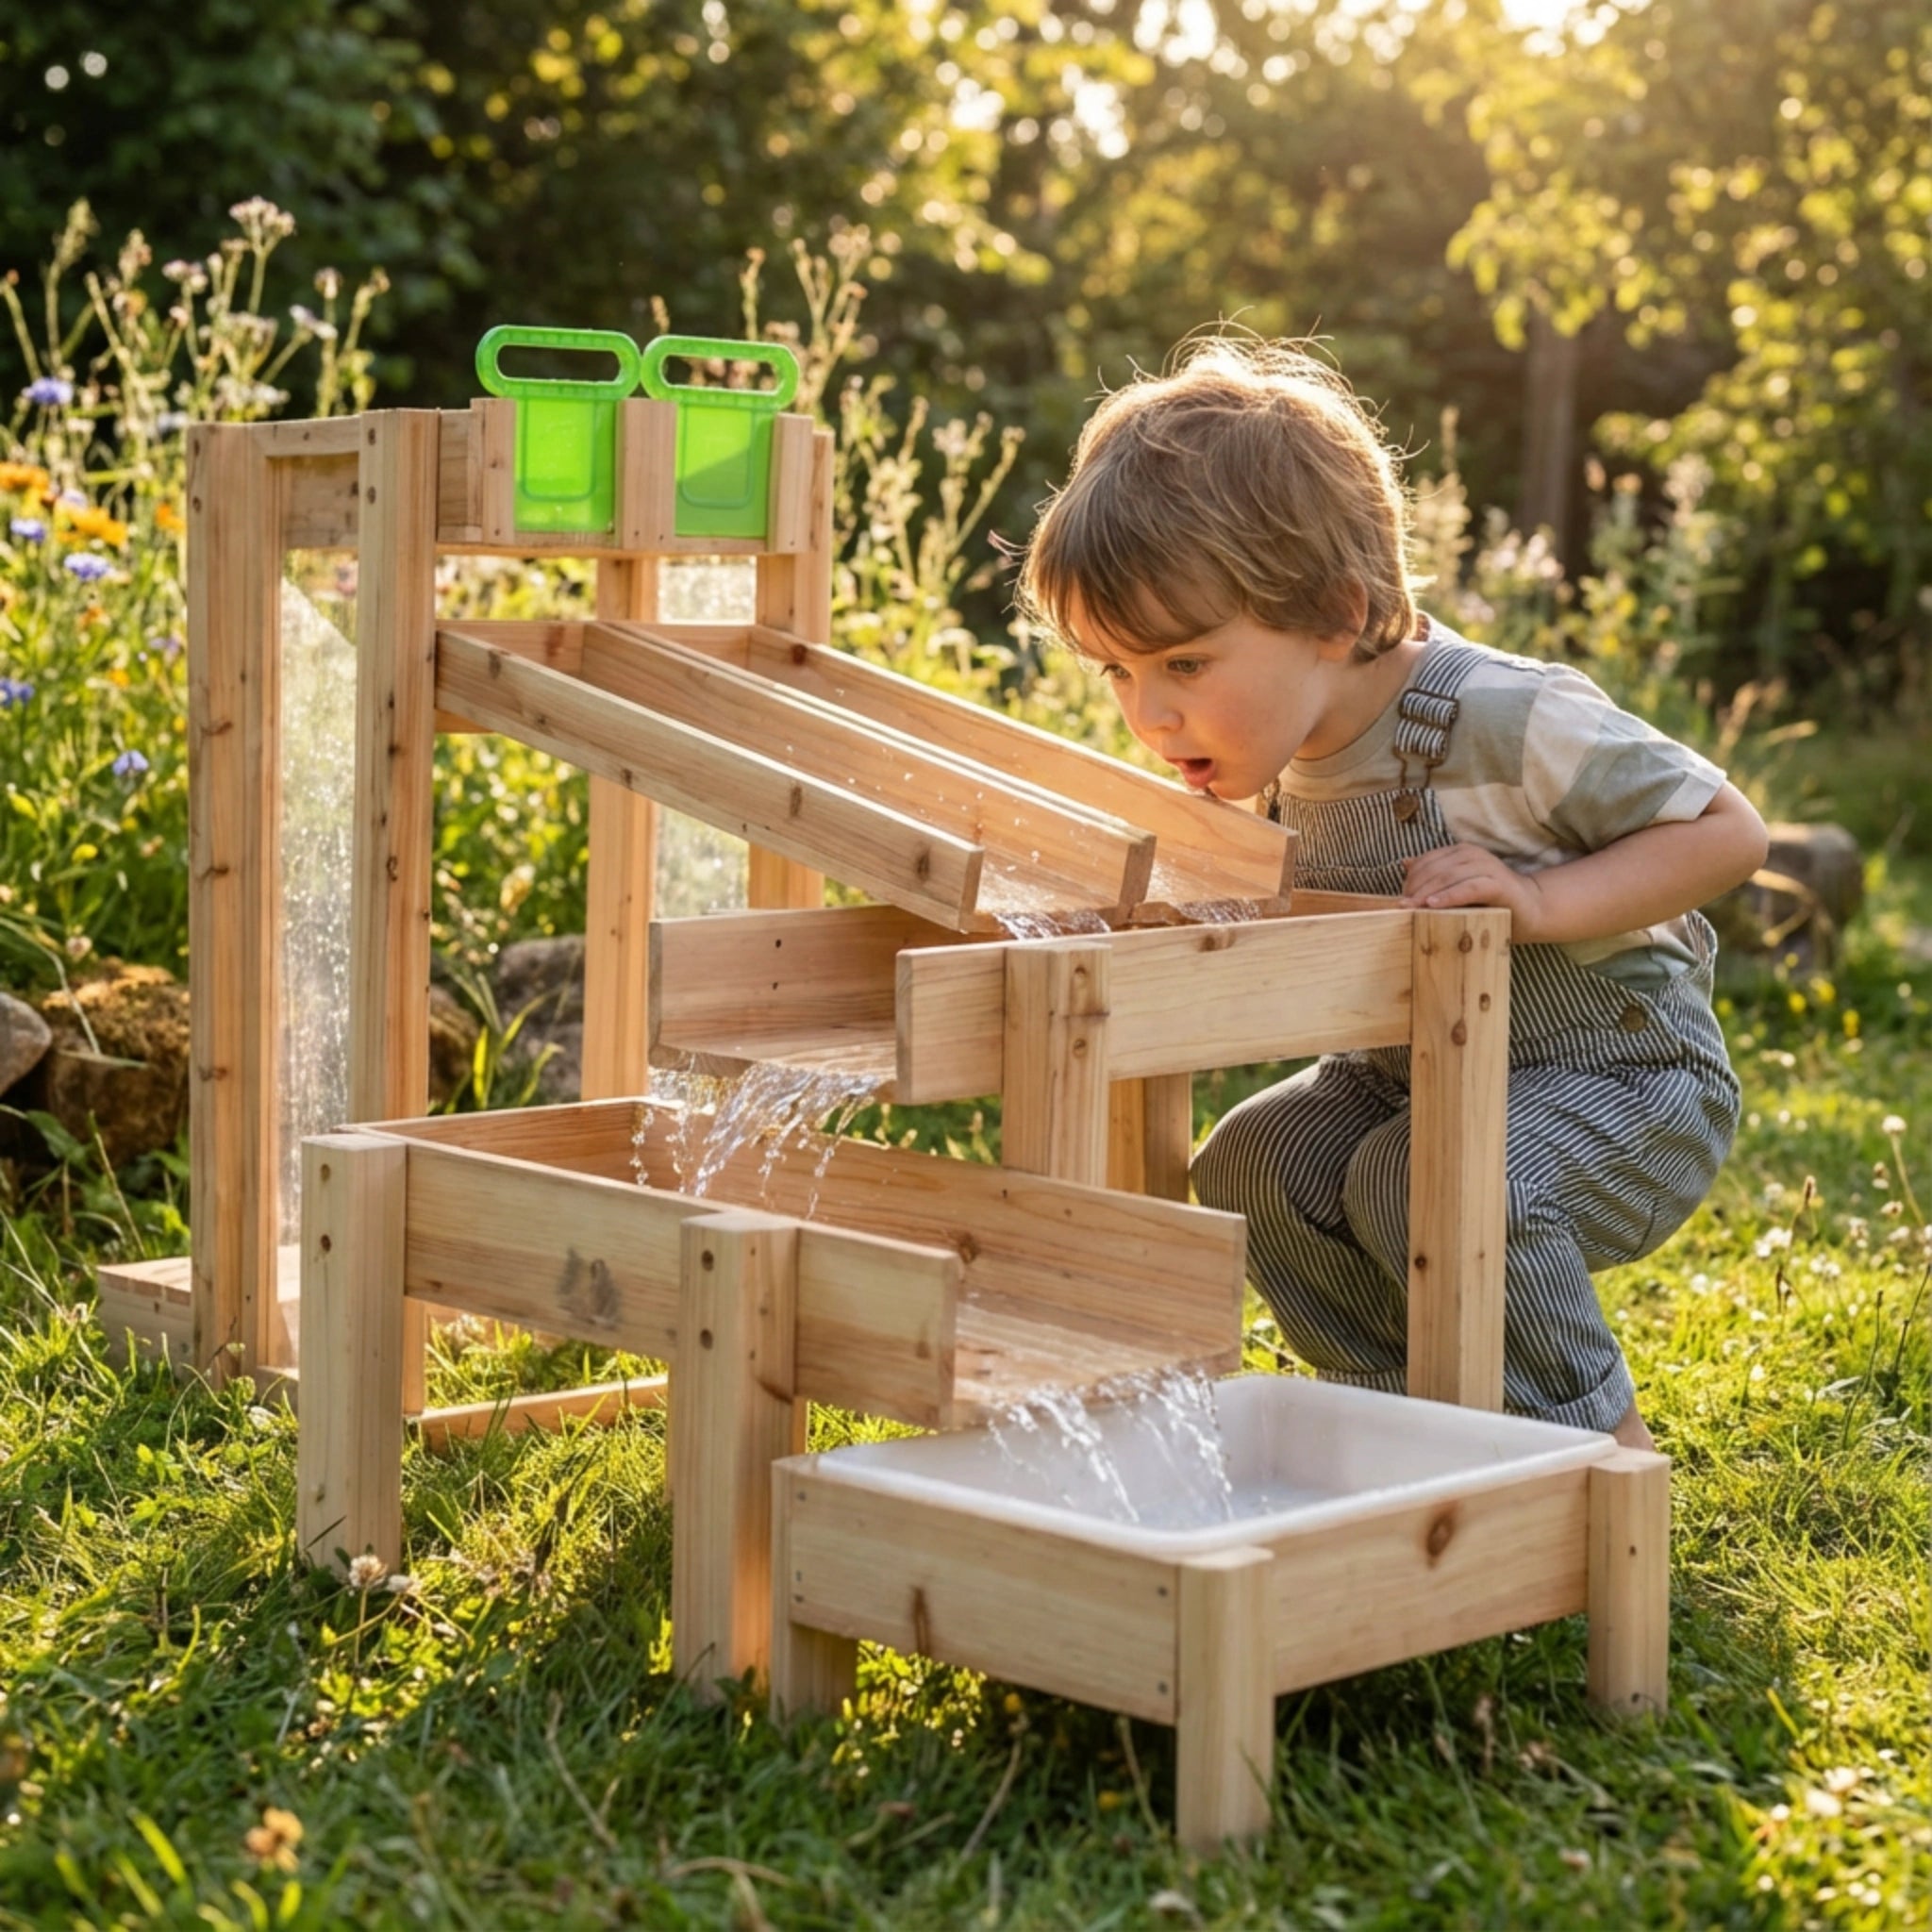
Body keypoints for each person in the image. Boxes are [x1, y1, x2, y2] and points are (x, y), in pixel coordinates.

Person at [1015, 340, 1768, 1450]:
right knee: (1250, 1164)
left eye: (1181, 664)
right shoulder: (1260, 751)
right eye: (1114, 672)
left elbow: (1727, 831)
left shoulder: (1504, 718)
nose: (1147, 715)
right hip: (1406, 1082)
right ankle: (1403, 1425)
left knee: (1429, 1179)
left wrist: (1540, 899)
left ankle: (1601, 1456)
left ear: (1332, 612)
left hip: (1623, 1079)